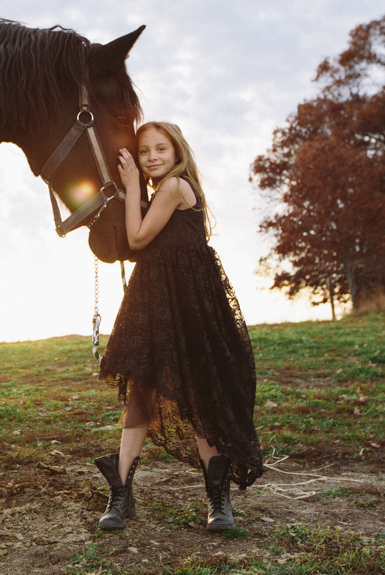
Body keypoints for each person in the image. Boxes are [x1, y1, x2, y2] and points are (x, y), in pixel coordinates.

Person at [94, 121, 263, 533]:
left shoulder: (171, 188)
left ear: (177, 152)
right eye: (144, 151)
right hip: (154, 301)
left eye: (160, 149)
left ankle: (217, 499)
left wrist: (132, 183)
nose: (151, 157)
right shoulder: (163, 193)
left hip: (186, 304)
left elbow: (136, 238)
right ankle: (121, 494)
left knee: (199, 393)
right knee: (142, 394)